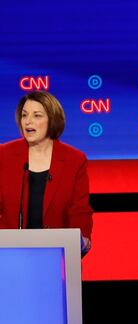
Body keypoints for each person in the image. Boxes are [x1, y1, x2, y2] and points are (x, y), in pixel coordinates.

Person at [0, 91, 93, 253]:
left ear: (52, 120)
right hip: (8, 254)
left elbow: (79, 209)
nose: (28, 122)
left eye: (37, 116)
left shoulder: (74, 159)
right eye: (24, 115)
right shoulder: (4, 155)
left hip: (57, 255)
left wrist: (81, 238)